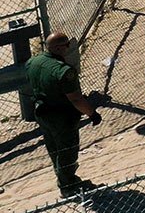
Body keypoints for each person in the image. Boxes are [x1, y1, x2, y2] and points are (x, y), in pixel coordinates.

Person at [26, 32, 101, 197]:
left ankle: (64, 178)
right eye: (67, 45)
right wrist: (92, 114)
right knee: (67, 150)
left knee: (54, 148)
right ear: (59, 48)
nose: (68, 48)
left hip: (42, 112)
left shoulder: (33, 62)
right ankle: (68, 185)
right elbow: (75, 99)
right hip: (61, 116)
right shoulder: (64, 71)